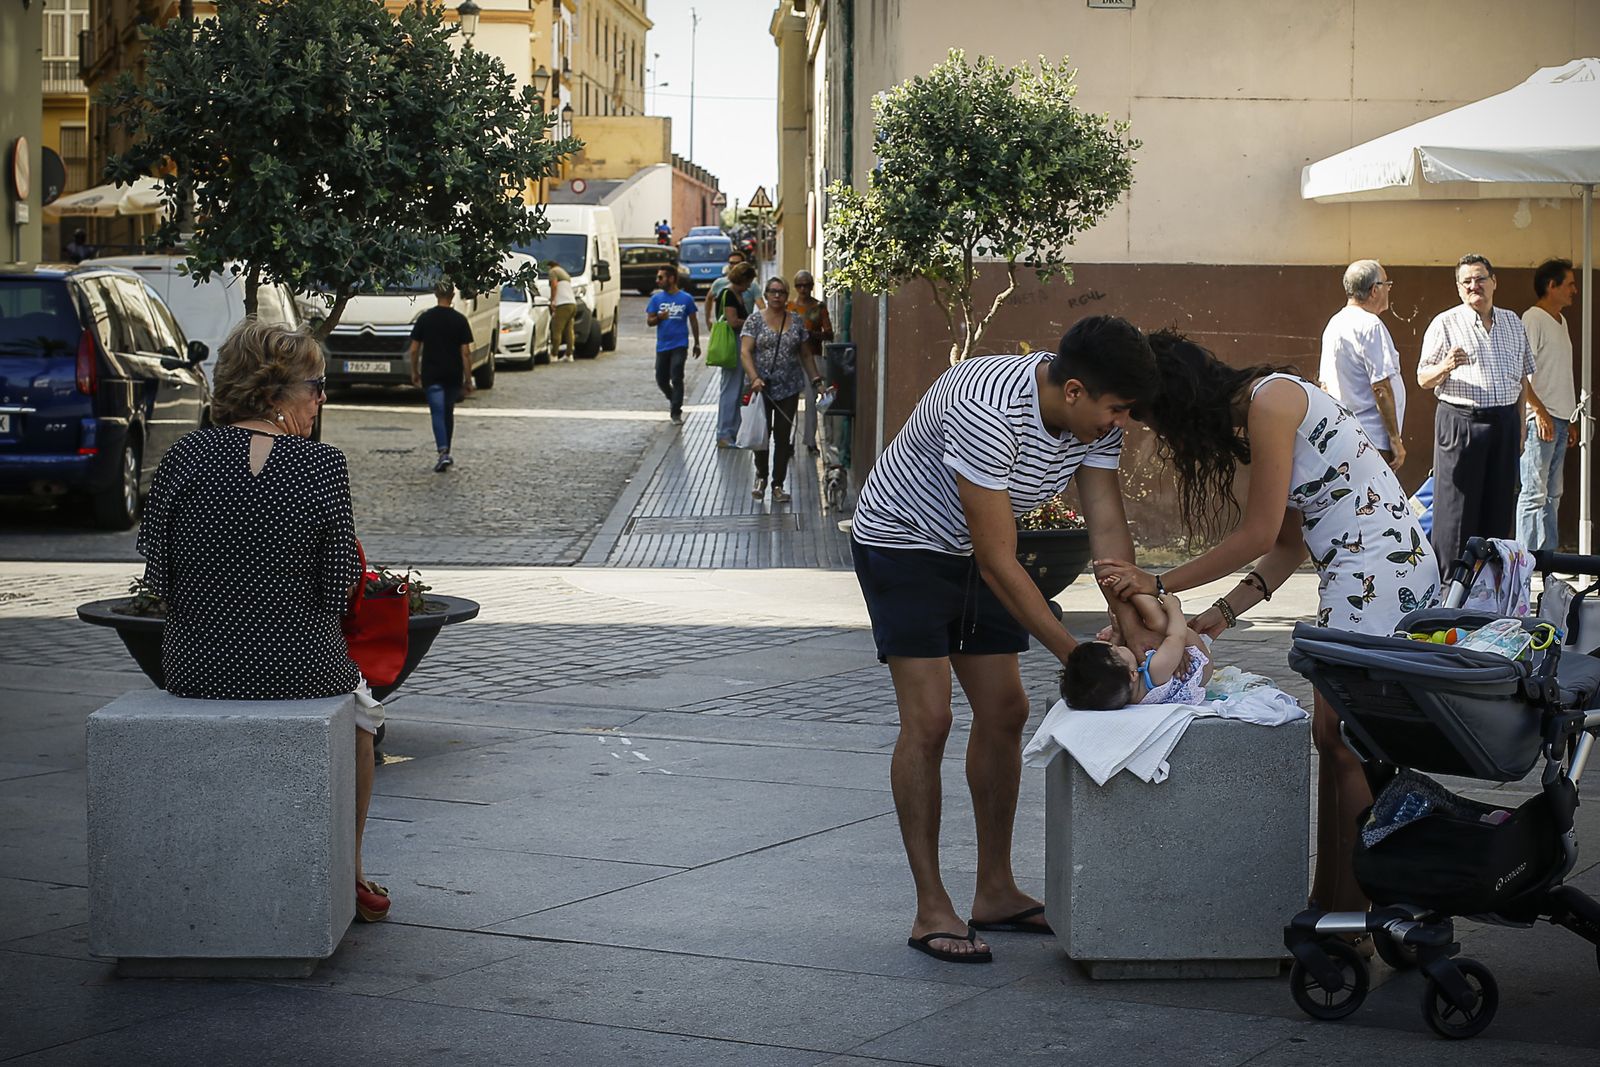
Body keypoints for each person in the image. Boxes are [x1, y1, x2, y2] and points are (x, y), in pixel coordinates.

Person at [1095, 329, 1437, 926]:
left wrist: (1159, 582)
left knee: (1343, 741)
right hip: (1368, 570)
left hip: (1378, 571)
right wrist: (1216, 618)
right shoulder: (1263, 406)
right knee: (1335, 740)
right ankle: (1329, 902)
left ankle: (1353, 912)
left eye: (1148, 417)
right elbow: (1287, 546)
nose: (1152, 432)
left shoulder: (1271, 402)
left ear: (1178, 402)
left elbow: (1256, 534)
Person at [850, 314, 1157, 964]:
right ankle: (931, 905)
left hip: (976, 549)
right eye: (1114, 409)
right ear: (1073, 391)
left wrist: (1132, 619)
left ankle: (994, 890)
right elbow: (997, 560)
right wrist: (1080, 656)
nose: (1120, 423)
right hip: (903, 543)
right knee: (930, 719)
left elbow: (1105, 526)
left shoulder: (1094, 420)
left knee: (1006, 711)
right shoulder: (988, 408)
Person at [136, 319, 391, 924]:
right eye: (316, 386)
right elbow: (339, 587)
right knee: (364, 718)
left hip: (197, 664)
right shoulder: (321, 466)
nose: (322, 399)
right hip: (301, 665)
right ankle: (351, 871)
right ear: (276, 392)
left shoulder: (184, 456)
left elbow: (156, 573)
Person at [1416, 254, 1540, 571]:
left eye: (1480, 278)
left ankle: (1490, 583)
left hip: (1505, 423)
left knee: (1499, 506)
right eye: (1467, 281)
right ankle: (1450, 585)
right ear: (1459, 288)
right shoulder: (1445, 323)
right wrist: (1446, 365)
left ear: (1494, 282)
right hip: (1461, 422)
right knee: (1456, 509)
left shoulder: (1512, 322)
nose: (1475, 286)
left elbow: (1522, 378)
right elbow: (1423, 378)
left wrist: (1521, 428)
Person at [1516, 257, 1581, 552]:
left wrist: (1570, 418)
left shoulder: (1561, 321)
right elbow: (1520, 371)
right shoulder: (1533, 319)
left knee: (1553, 495)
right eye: (1569, 284)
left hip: (1560, 419)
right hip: (1539, 421)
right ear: (1551, 285)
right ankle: (1524, 563)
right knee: (1534, 494)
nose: (1574, 290)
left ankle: (1547, 562)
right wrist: (1539, 411)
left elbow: (1558, 373)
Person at [739, 275, 820, 503]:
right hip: (761, 387)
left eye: (781, 292)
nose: (777, 295)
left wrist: (816, 379)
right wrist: (754, 377)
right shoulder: (754, 321)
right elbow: (745, 352)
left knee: (783, 437)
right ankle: (761, 476)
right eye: (773, 291)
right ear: (766, 294)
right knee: (761, 433)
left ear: (786, 296)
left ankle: (778, 484)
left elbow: (806, 354)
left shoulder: (796, 321)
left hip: (789, 387)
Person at [1318, 260, 1406, 469]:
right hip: (1372, 439)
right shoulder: (1370, 324)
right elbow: (1381, 387)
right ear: (1375, 290)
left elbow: (1324, 386)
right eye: (1386, 284)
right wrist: (1395, 439)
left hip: (1343, 435)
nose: (1388, 289)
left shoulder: (1334, 323)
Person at [1061, 592, 1213, 709]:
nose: (1118, 646)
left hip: (1163, 657)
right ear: (1133, 674)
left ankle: (1132, 598)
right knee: (1158, 621)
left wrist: (1117, 634)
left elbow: (1110, 665)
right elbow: (1176, 636)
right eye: (1117, 649)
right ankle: (1140, 590)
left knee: (1144, 621)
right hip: (1198, 663)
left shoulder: (1120, 688)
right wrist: (1174, 608)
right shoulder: (1156, 671)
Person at [407, 280, 475, 473]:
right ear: (452, 295)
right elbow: (465, 353)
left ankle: (443, 451)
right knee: (448, 411)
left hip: (432, 372)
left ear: (436, 294)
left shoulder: (425, 318)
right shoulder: (460, 320)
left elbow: (414, 349)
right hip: (453, 374)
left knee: (437, 412)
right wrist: (468, 379)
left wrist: (414, 371)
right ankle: (447, 450)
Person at [645, 265, 700, 424]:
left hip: (680, 344)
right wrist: (659, 318)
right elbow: (649, 321)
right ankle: (674, 398)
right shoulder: (656, 299)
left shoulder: (686, 298)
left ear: (672, 278)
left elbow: (693, 321)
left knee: (677, 374)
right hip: (662, 345)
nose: (658, 281)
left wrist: (696, 342)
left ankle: (676, 412)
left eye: (661, 277)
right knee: (661, 378)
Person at [710, 263, 756, 447]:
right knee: (731, 389)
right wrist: (752, 322)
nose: (750, 285)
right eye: (749, 281)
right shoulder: (728, 294)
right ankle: (724, 433)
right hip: (732, 342)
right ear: (743, 279)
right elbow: (732, 321)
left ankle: (733, 432)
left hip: (738, 342)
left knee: (736, 389)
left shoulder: (737, 294)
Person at [790, 270, 835, 455]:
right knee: (790, 403)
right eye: (799, 285)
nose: (803, 289)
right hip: (792, 359)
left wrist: (813, 334)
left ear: (811, 286)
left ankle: (810, 441)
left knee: (810, 401)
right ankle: (789, 442)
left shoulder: (819, 307)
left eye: (806, 285)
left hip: (813, 357)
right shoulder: (789, 307)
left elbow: (829, 333)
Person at [546, 260, 577, 361]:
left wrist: (553, 300)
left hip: (562, 304)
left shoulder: (553, 271)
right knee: (569, 330)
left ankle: (554, 354)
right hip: (572, 303)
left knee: (557, 330)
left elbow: (554, 285)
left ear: (550, 266)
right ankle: (569, 354)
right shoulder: (564, 272)